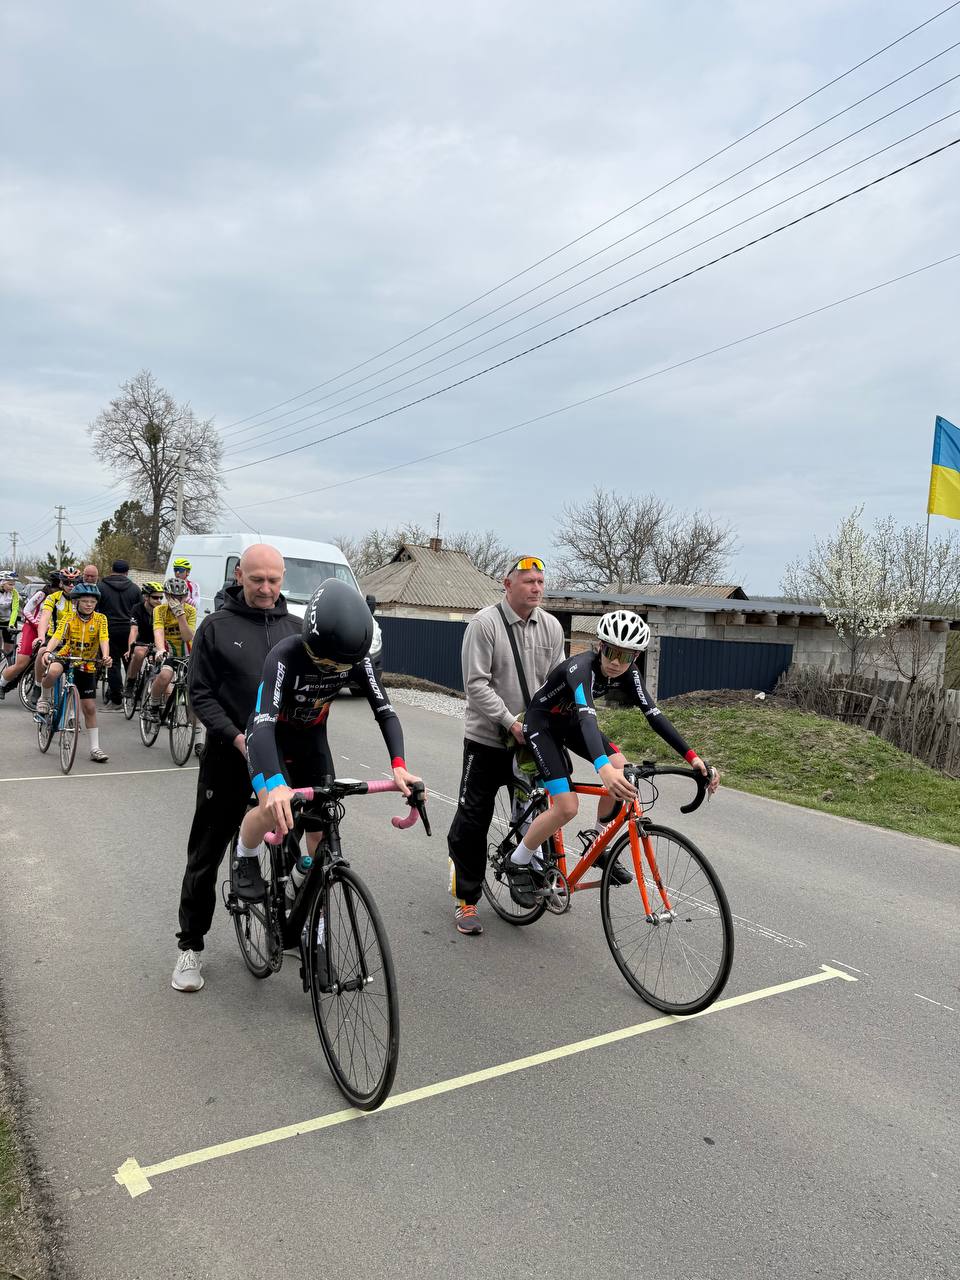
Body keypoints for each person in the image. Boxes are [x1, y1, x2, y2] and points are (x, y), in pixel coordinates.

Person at [505, 610, 719, 902]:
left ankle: (596, 844)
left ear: (635, 658)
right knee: (567, 806)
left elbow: (654, 716)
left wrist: (692, 757)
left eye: (626, 656)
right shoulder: (581, 668)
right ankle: (518, 860)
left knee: (623, 768)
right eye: (611, 652)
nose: (616, 662)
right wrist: (601, 767)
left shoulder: (629, 673)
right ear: (599, 646)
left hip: (570, 724)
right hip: (542, 724)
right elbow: (588, 720)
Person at [233, 578, 421, 902]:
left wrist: (400, 766)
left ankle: (301, 886)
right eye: (324, 664)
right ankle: (244, 854)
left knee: (319, 827)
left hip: (311, 739)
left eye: (340, 668)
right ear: (309, 642)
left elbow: (385, 711)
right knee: (271, 809)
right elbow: (263, 723)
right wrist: (276, 784)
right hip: (270, 737)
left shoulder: (356, 660)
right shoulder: (284, 656)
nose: (332, 671)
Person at [172, 544, 300, 991]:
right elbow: (200, 693)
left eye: (274, 580)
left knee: (295, 848)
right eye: (257, 580)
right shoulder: (215, 626)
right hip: (229, 756)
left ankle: (294, 928)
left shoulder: (296, 629)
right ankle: (190, 946)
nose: (266, 589)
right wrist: (236, 736)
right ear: (239, 576)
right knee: (205, 854)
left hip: (280, 762)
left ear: (283, 578)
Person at [446, 556, 565, 935]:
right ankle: (466, 900)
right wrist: (510, 721)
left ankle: (523, 876)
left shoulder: (551, 627)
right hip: (487, 740)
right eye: (528, 581)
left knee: (530, 813)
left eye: (541, 581)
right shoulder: (484, 625)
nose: (536, 588)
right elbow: (475, 685)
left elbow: (557, 681)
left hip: (529, 744)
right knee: (473, 819)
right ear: (507, 584)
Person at [37, 582, 112, 762]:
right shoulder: (69, 618)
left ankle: (95, 748)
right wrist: (48, 650)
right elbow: (57, 636)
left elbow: (104, 639)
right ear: (76, 602)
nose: (88, 604)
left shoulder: (101, 619)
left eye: (92, 602)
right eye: (85, 601)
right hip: (67, 655)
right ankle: (45, 697)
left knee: (90, 708)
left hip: (87, 662)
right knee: (53, 671)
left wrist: (106, 656)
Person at [144, 577, 196, 722]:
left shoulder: (190, 610)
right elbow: (158, 631)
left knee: (194, 694)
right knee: (165, 676)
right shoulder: (159, 610)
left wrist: (180, 615)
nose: (178, 600)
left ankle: (197, 738)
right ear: (167, 596)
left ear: (186, 596)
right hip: (169, 652)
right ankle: (153, 706)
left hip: (188, 654)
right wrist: (160, 649)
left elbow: (187, 637)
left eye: (181, 597)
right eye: (174, 597)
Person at [0, 573, 57, 699]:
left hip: (50, 631)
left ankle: (40, 689)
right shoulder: (41, 595)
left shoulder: (64, 598)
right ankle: (2, 685)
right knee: (21, 663)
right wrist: (37, 624)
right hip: (31, 627)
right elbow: (26, 610)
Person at [97, 559, 141, 707]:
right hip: (129, 630)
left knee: (113, 663)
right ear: (127, 572)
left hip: (108, 629)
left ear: (111, 570)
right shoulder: (135, 589)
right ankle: (131, 692)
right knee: (130, 662)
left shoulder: (101, 587)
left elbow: (94, 608)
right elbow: (140, 611)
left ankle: (116, 698)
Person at [125, 581, 163, 692]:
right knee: (139, 654)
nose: (159, 601)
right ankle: (130, 683)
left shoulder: (162, 610)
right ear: (146, 597)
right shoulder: (137, 609)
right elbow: (134, 630)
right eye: (155, 597)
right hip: (141, 641)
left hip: (157, 642)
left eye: (161, 597)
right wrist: (130, 649)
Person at [0, 577, 20, 669]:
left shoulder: (14, 593)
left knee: (9, 649)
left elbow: (15, 609)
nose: (12, 587)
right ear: (2, 583)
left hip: (9, 620)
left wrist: (11, 624)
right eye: (10, 584)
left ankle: (7, 667)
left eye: (13, 584)